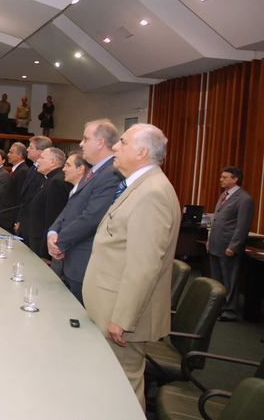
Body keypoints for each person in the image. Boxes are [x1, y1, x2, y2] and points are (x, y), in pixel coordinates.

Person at [82, 123, 180, 410]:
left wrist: (123, 319)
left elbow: (144, 267)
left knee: (123, 388)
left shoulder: (153, 193)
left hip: (123, 316)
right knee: (108, 384)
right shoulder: (138, 185)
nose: (115, 147)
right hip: (111, 305)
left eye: (122, 142)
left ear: (142, 152)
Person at [48, 120, 121, 305]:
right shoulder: (94, 171)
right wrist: (53, 231)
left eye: (86, 139)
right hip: (70, 256)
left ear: (100, 143)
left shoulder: (111, 173)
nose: (81, 144)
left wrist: (60, 242)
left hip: (83, 261)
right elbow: (71, 206)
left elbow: (92, 217)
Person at [207, 166, 254, 322]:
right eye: (221, 177)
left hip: (228, 246)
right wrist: (209, 240)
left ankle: (229, 312)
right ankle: (218, 308)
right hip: (215, 244)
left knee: (230, 280)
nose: (221, 180)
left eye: (225, 177)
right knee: (217, 280)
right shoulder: (224, 195)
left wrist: (234, 246)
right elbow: (217, 220)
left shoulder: (245, 199)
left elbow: (242, 226)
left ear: (235, 180)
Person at [18, 147, 70, 262]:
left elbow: (53, 217)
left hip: (41, 245)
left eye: (42, 158)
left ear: (53, 162)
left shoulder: (56, 182)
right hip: (35, 239)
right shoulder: (49, 179)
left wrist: (45, 253)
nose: (38, 161)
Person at [0, 142, 30, 231]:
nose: (8, 155)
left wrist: (17, 221)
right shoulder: (16, 169)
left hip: (11, 218)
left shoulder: (23, 171)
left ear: (20, 155)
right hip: (5, 216)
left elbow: (20, 198)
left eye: (11, 152)